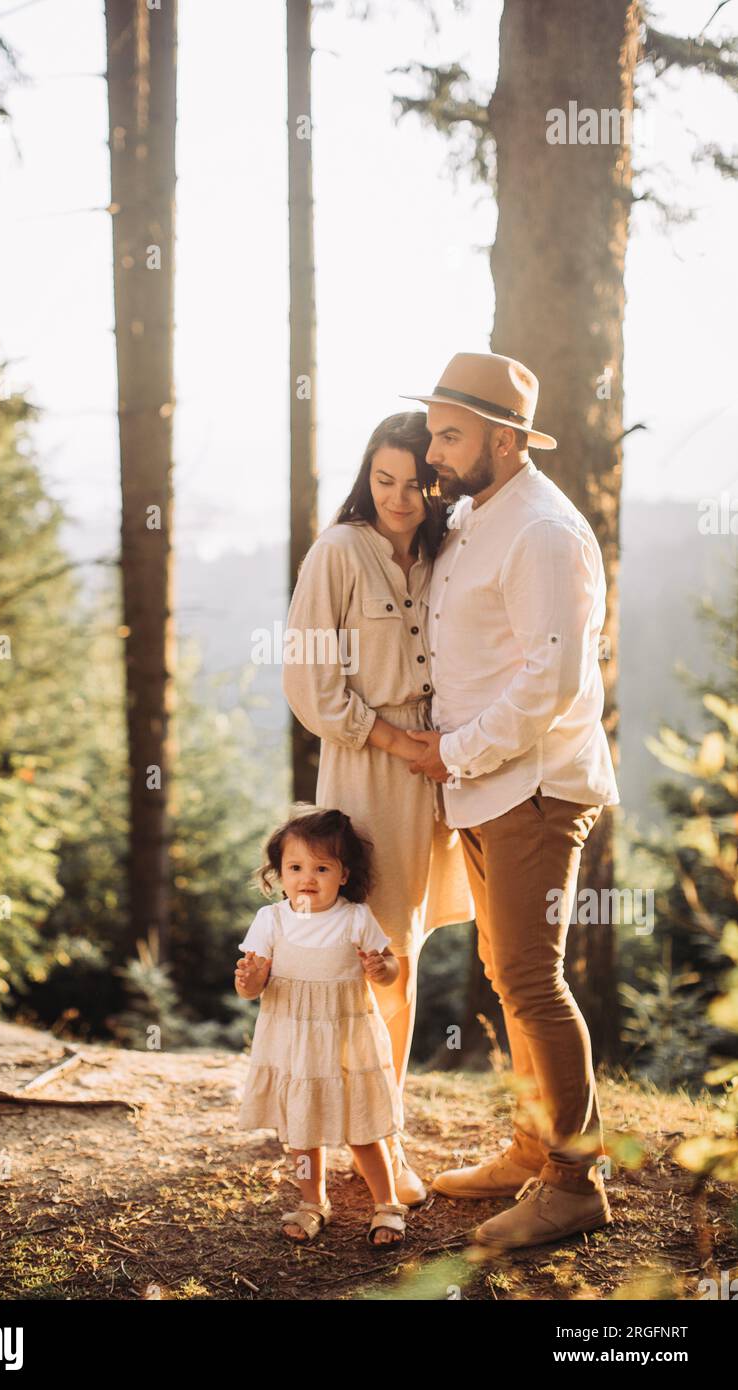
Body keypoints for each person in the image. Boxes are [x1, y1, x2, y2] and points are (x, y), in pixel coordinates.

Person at [401, 350, 621, 1250]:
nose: (432, 452)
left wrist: (455, 753)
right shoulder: (479, 516)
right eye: (431, 434)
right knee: (507, 971)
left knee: (532, 977)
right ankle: (537, 1146)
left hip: (532, 786)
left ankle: (574, 1183)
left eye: (449, 436)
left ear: (503, 439)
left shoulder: (542, 530)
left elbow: (551, 683)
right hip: (487, 787)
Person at [281, 412, 474, 1206]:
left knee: (401, 959)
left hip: (437, 774)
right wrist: (400, 745)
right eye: (383, 480)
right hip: (367, 770)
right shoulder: (337, 553)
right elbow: (309, 684)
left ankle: (379, 1133)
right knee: (359, 964)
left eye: (416, 484)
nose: (398, 499)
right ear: (367, 477)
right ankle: (341, 1147)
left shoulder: (443, 549)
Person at [235, 807, 410, 1246]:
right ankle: (312, 1202)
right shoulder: (270, 921)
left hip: (348, 1041)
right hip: (295, 1044)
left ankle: (386, 1203)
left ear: (344, 874)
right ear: (279, 875)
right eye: (295, 867)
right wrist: (248, 978)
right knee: (302, 1130)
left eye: (321, 867)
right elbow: (251, 989)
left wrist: (379, 966)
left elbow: (388, 971)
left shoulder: (355, 918)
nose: (306, 878)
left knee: (364, 1128)